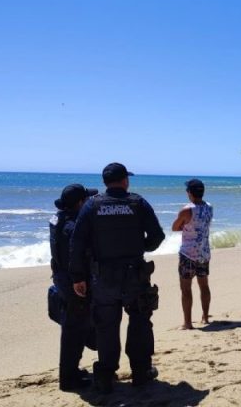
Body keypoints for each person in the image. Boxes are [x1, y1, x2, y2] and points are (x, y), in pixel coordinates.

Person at [70, 162, 166, 394]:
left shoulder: (92, 205)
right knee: (140, 322)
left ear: (105, 182)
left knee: (106, 326)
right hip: (134, 274)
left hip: (103, 278)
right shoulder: (137, 202)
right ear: (125, 180)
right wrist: (138, 247)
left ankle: (105, 375)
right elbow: (157, 236)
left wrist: (77, 277)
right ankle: (141, 372)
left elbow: (77, 242)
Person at [50, 184, 98, 391]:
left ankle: (71, 373)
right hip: (74, 284)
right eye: (86, 199)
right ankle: (69, 379)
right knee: (74, 331)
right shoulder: (73, 226)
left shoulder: (58, 219)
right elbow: (75, 256)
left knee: (73, 328)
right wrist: (80, 279)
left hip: (61, 279)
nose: (89, 202)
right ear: (79, 203)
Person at [172, 179, 213, 330]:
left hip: (188, 254)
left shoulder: (186, 210)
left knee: (186, 288)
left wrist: (185, 226)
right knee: (204, 286)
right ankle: (205, 316)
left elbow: (175, 227)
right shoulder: (209, 207)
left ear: (190, 192)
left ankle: (188, 323)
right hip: (203, 252)